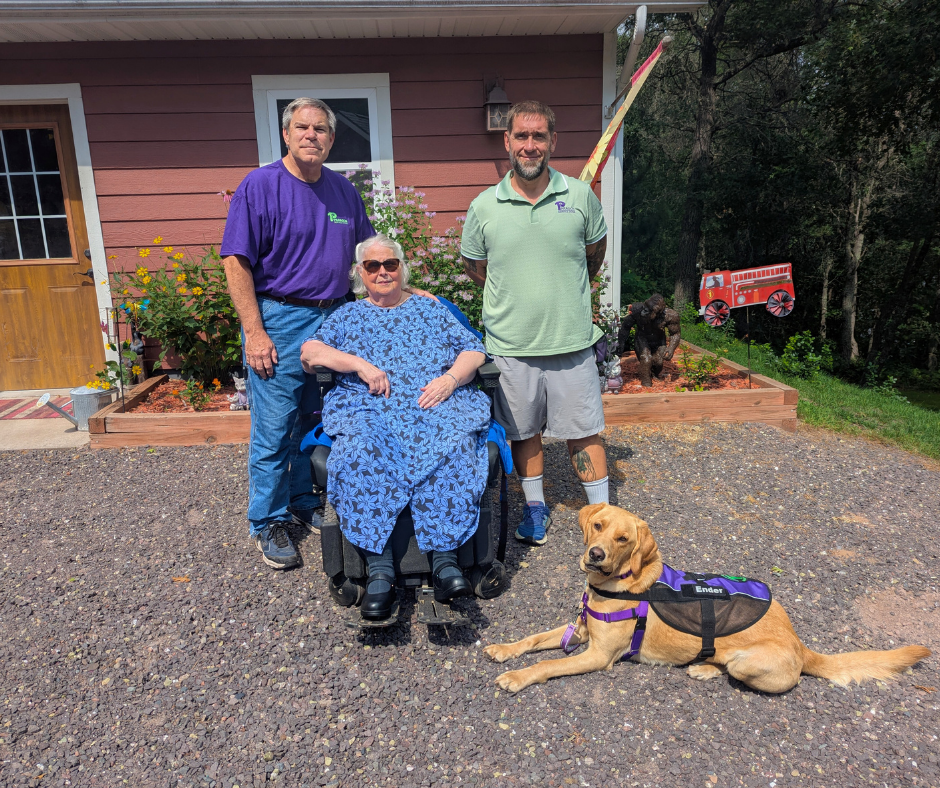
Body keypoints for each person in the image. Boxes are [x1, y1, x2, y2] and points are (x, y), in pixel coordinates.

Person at [300, 233, 490, 621]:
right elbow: (309, 353)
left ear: (402, 268)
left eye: (391, 264)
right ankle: (380, 571)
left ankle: (446, 562)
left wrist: (451, 379)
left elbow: (474, 348)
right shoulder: (347, 316)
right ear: (360, 273)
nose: (383, 272)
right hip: (370, 409)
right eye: (373, 266)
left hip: (433, 402)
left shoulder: (430, 309)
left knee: (453, 442)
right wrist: (358, 364)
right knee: (360, 449)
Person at [221, 97, 374, 570]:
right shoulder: (261, 186)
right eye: (303, 127)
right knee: (273, 426)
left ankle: (303, 501)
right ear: (287, 135)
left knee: (315, 418)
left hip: (335, 319)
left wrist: (407, 294)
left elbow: (367, 254)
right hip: (280, 318)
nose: (312, 135)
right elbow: (235, 261)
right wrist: (255, 331)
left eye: (322, 129)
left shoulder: (343, 192)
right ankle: (266, 520)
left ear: (332, 138)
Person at [459, 99, 610, 547]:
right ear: (507, 142)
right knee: (523, 434)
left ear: (552, 141)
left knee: (583, 431)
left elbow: (593, 257)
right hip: (511, 347)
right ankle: (535, 509)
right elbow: (475, 265)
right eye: (521, 136)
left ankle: (601, 518)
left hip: (571, 343)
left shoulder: (580, 197)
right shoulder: (485, 206)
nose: (530, 145)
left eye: (538, 136)